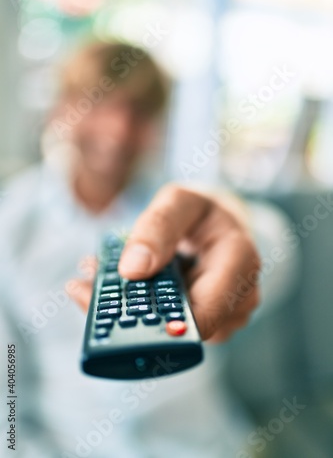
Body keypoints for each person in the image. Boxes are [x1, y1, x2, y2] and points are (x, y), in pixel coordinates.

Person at [0, 41, 299, 458]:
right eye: (100, 103)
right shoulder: (10, 223)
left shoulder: (185, 203)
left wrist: (236, 225)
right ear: (62, 110)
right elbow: (7, 389)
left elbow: (276, 249)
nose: (118, 130)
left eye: (139, 111)